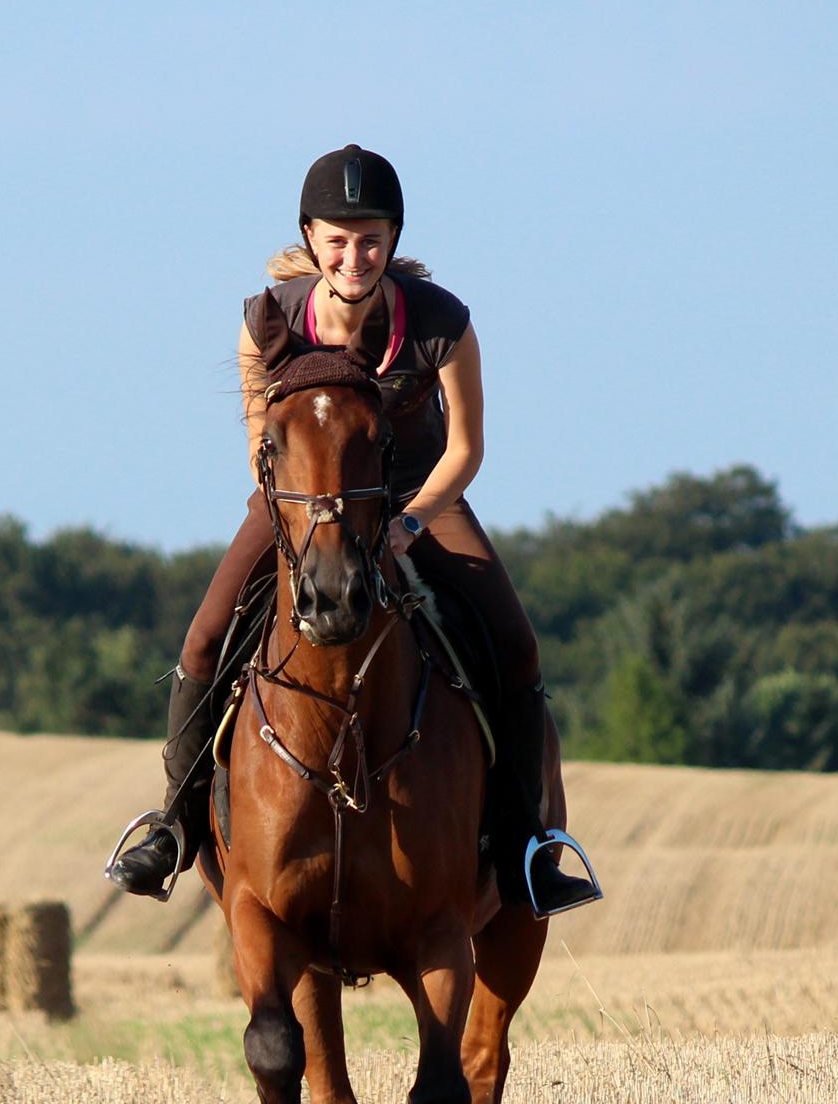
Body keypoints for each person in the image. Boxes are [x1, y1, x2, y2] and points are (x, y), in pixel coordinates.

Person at [108, 144, 599, 916]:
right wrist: (305, 525)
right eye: (336, 239)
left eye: (369, 238)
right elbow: (258, 452)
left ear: (393, 240)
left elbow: (466, 449)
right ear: (309, 238)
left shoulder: (441, 322)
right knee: (204, 639)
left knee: (515, 644)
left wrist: (405, 523)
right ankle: (172, 824)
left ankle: (521, 845)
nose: (354, 255)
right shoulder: (267, 322)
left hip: (416, 499)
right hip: (300, 505)